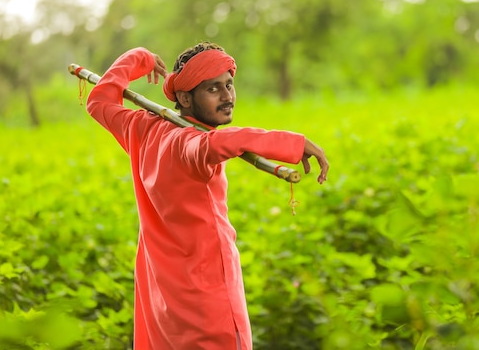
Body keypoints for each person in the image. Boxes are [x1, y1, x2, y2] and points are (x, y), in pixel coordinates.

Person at [85, 42, 329, 350]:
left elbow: (99, 102)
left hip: (163, 297)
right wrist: (295, 143)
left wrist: (139, 58)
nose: (227, 97)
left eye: (228, 85)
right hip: (208, 301)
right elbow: (215, 145)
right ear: (185, 98)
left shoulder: (142, 129)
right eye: (213, 89)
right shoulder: (191, 145)